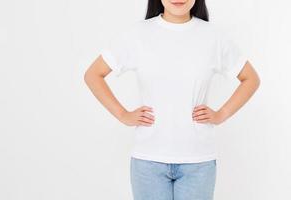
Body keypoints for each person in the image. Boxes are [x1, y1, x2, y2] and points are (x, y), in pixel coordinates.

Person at [84, 0, 261, 199]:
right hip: (148, 161)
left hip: (198, 162)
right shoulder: (137, 34)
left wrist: (221, 114)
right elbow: (93, 75)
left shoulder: (213, 36)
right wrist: (123, 114)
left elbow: (251, 79)